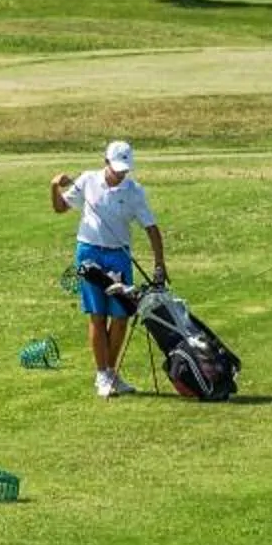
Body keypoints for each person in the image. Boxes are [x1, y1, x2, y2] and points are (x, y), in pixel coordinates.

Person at [51, 140, 169, 400]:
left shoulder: (135, 192)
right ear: (105, 162)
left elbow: (151, 228)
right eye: (117, 169)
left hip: (119, 256)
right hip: (89, 253)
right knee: (97, 314)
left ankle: (111, 373)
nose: (121, 174)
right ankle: (102, 374)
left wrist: (159, 264)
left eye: (125, 169)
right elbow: (60, 208)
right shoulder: (87, 180)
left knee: (121, 316)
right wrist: (54, 187)